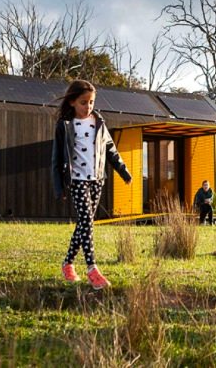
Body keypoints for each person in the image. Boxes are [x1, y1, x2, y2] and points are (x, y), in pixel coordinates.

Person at [51, 80, 132, 290]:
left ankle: (67, 264)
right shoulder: (65, 126)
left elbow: (111, 150)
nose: (88, 106)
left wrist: (123, 171)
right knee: (86, 220)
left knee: (85, 224)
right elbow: (57, 158)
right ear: (72, 102)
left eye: (91, 102)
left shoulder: (99, 123)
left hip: (97, 179)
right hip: (77, 179)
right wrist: (59, 186)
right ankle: (92, 269)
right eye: (83, 102)